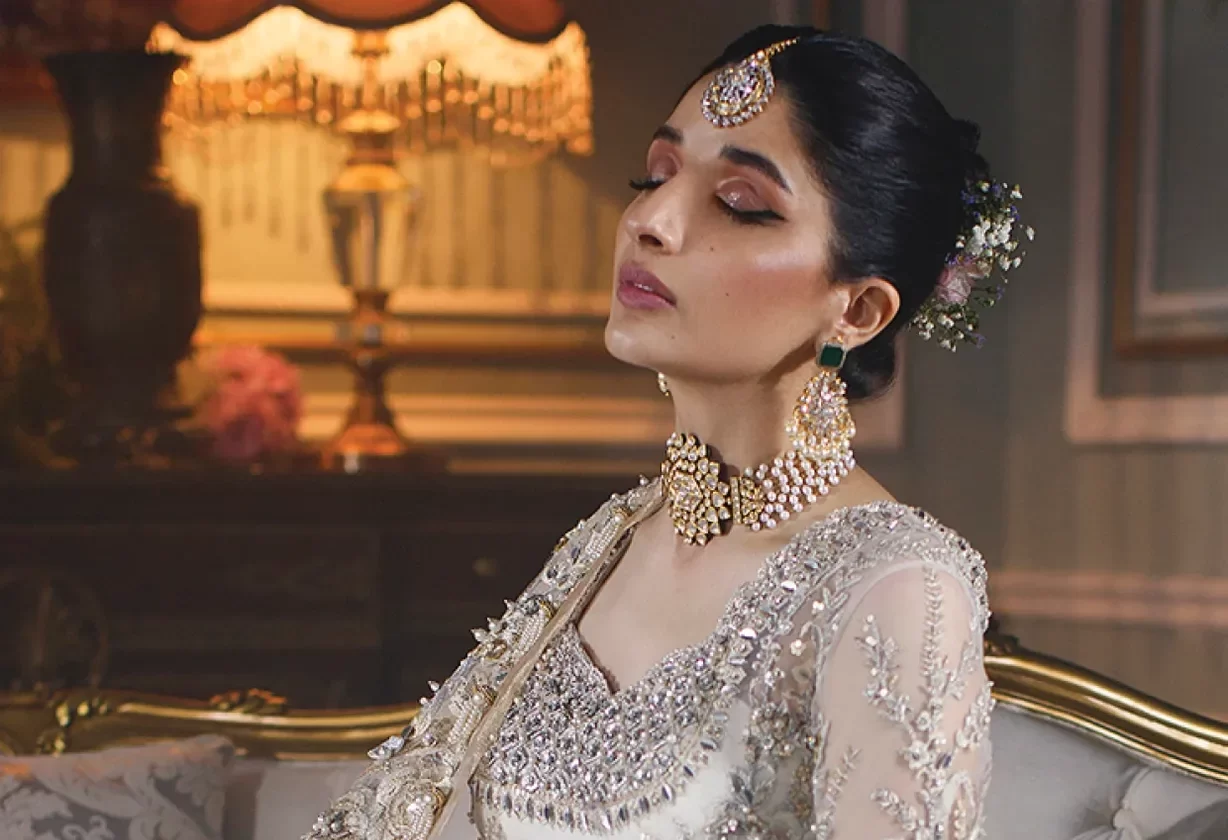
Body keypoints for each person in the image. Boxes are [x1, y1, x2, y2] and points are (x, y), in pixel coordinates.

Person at [305, 22, 1031, 840]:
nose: (650, 220)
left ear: (857, 310)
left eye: (739, 204)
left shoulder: (896, 588)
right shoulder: (612, 538)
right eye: (654, 175)